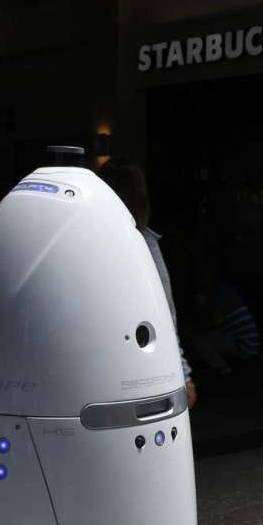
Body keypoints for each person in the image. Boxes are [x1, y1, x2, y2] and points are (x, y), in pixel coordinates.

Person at [98, 159, 197, 407]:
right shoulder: (142, 243)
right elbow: (166, 314)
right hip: (141, 366)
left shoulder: (89, 243)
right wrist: (183, 374)